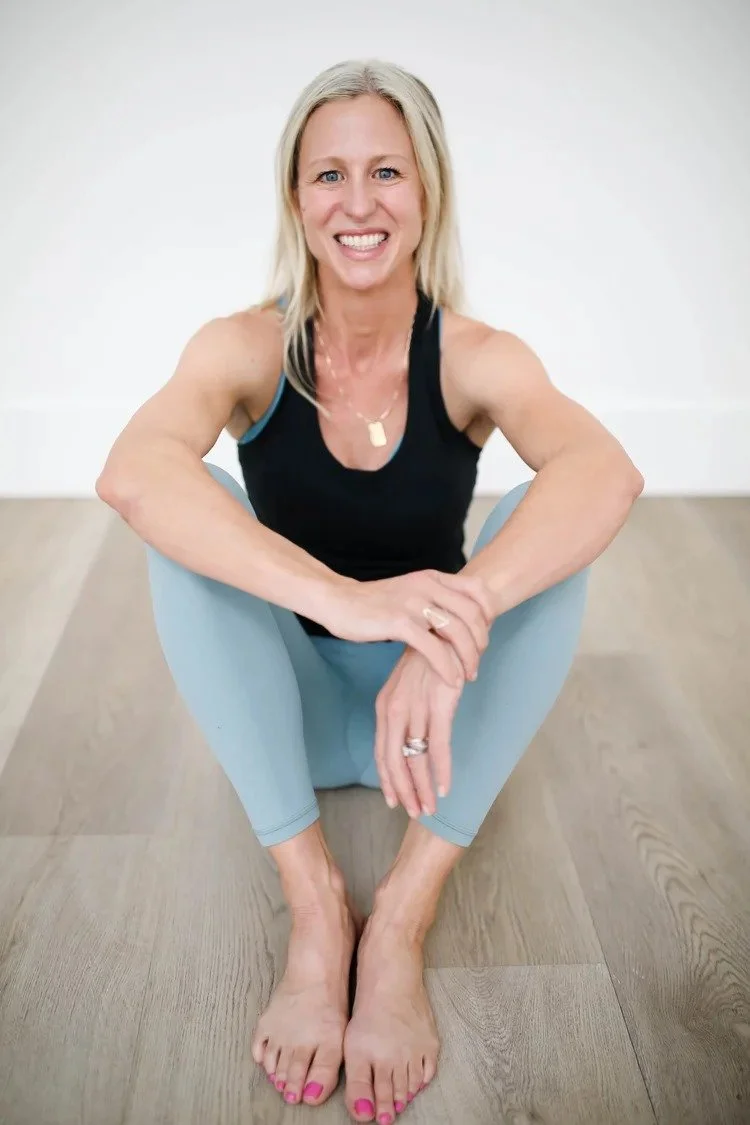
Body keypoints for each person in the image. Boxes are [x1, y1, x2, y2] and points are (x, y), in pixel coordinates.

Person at [96, 59, 644, 1125]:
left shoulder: (477, 358)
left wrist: (451, 619)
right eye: (328, 175)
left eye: (386, 171)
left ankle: (398, 916)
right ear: (295, 202)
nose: (358, 204)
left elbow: (607, 474)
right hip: (289, 713)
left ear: (427, 191)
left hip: (427, 731)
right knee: (187, 500)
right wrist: (351, 602)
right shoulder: (244, 347)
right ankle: (317, 910)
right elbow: (132, 473)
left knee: (545, 521)